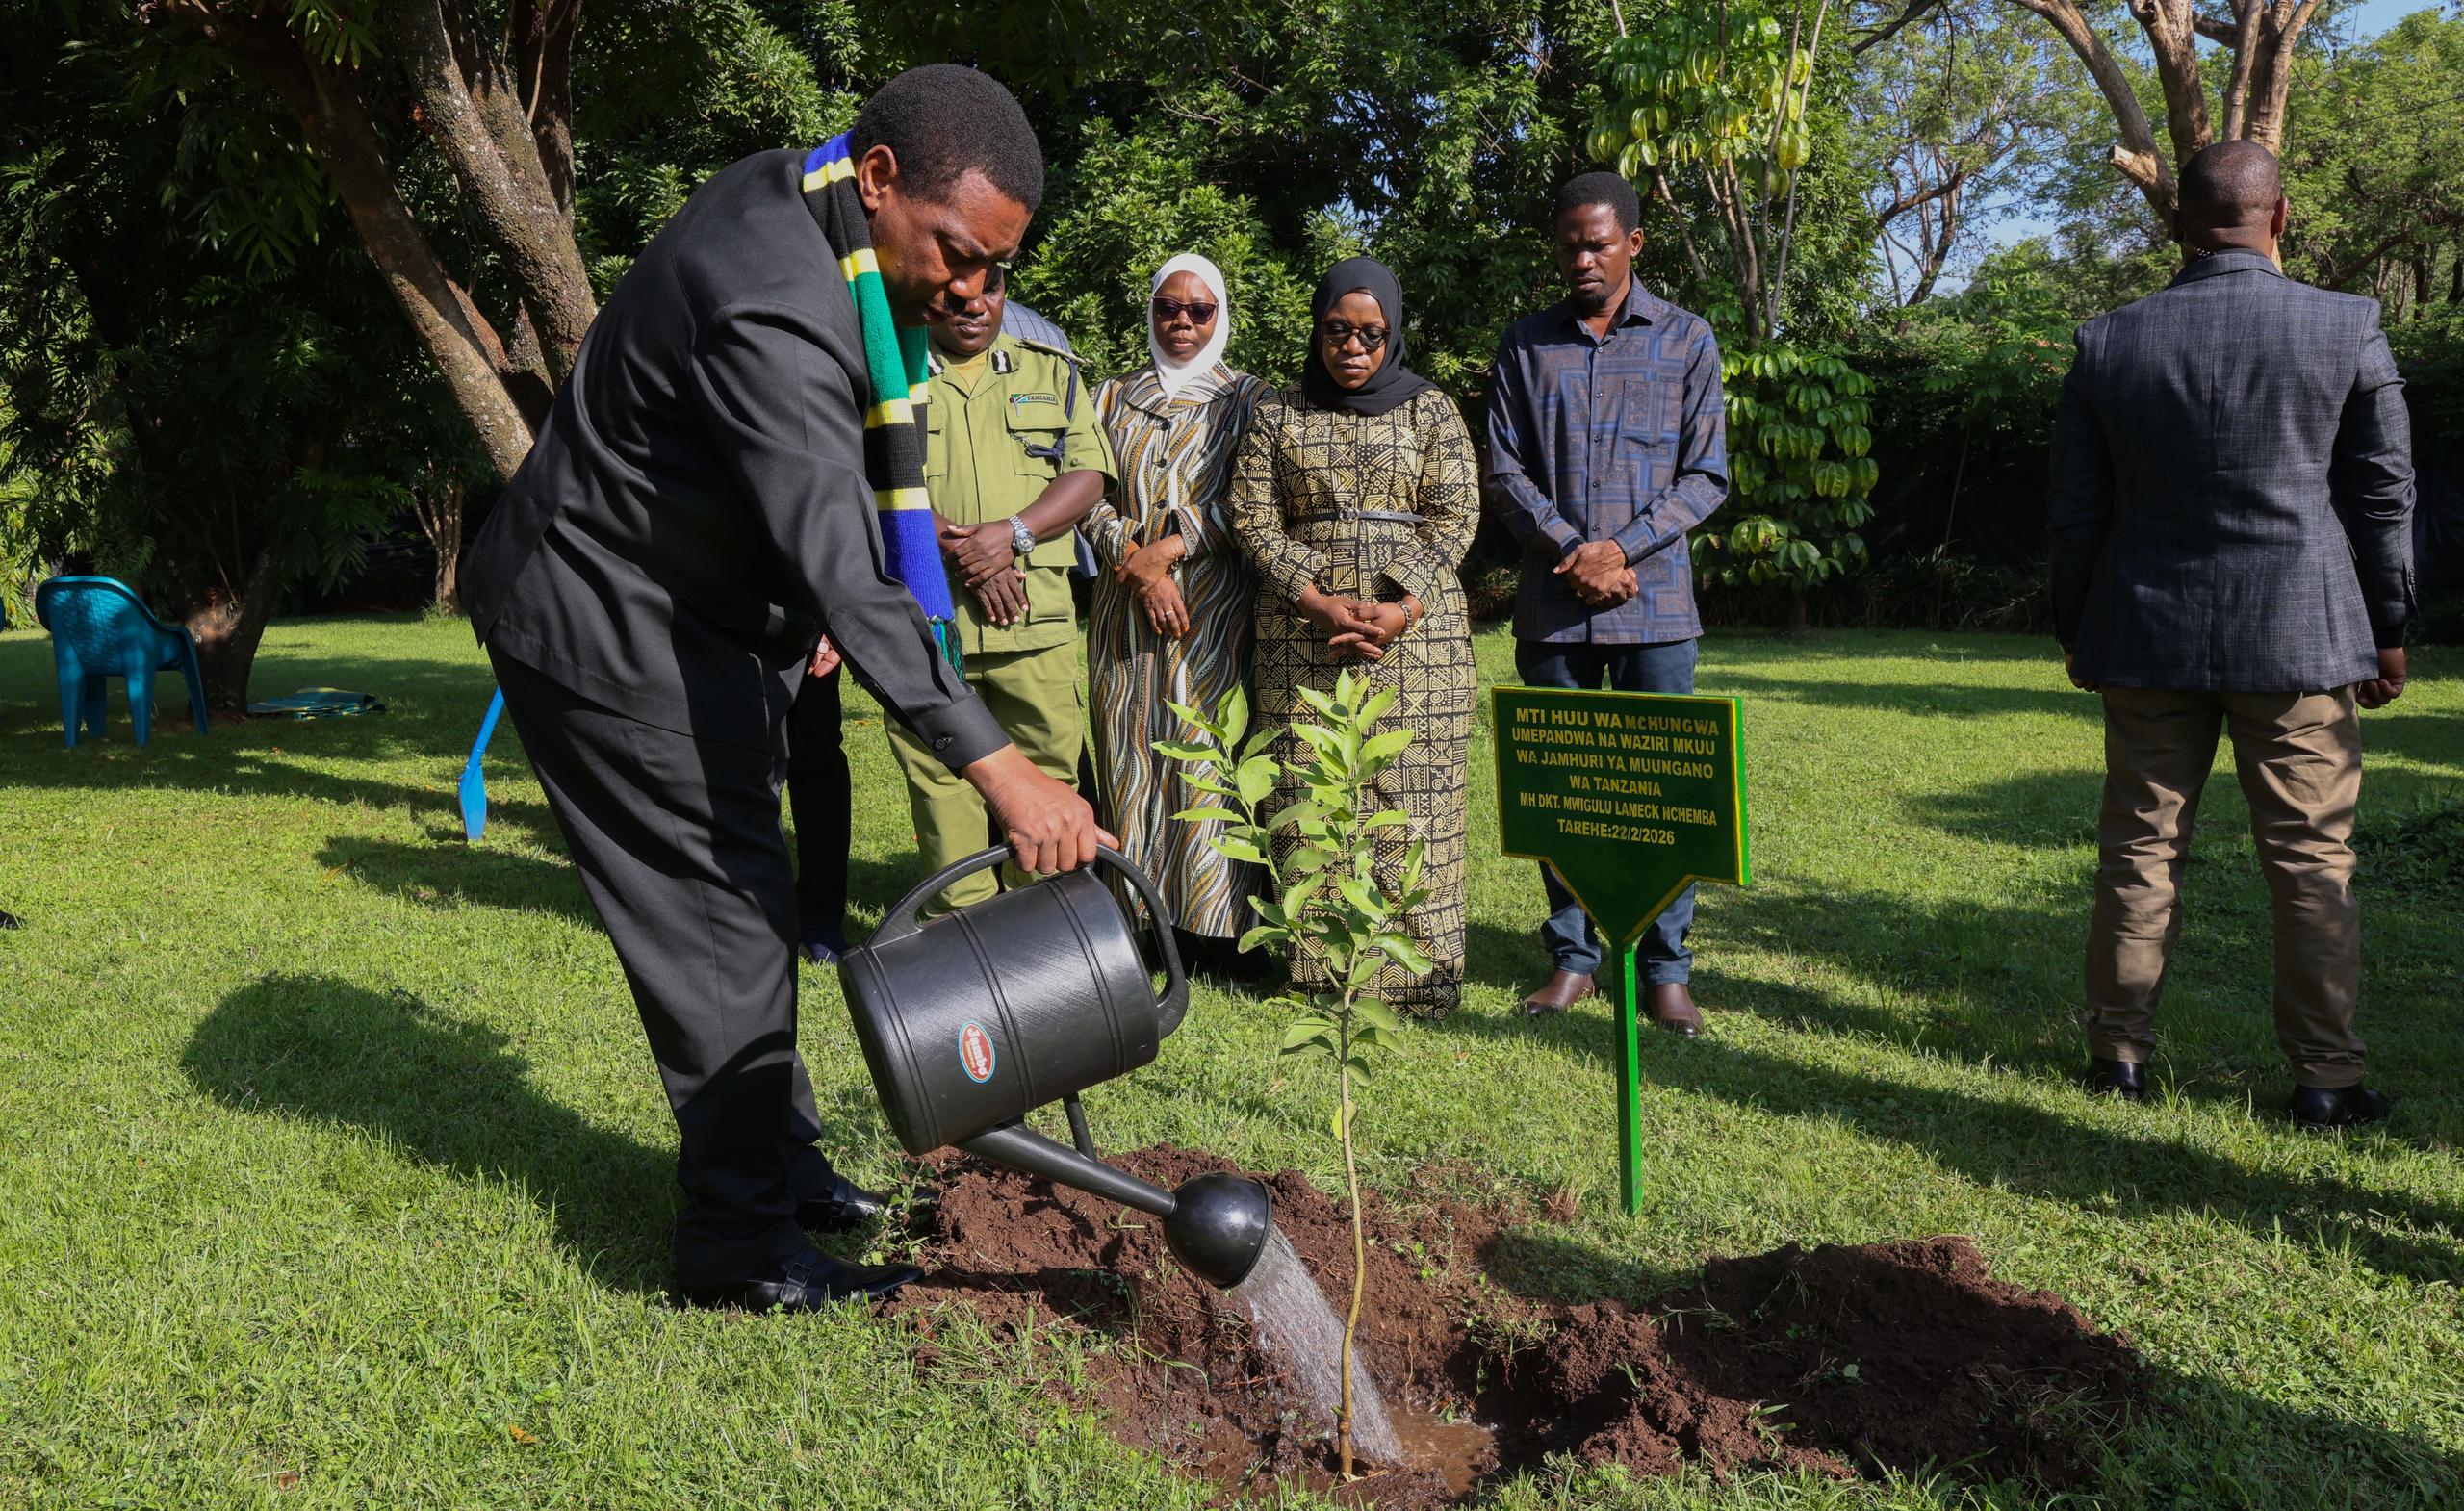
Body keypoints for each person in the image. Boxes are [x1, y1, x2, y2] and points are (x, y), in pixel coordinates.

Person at [459, 64, 1112, 1312]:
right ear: (879, 182)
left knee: (749, 894)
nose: (974, 291)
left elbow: (819, 539)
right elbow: (843, 559)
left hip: (690, 616)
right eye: (959, 254)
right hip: (601, 625)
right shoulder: (776, 289)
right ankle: (738, 1248)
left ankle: (783, 1164)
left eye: (997, 270)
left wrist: (802, 610)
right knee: (722, 913)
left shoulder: (822, 222)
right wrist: (1005, 766)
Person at [2048, 141, 2416, 1131]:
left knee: (2138, 847)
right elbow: (2382, 497)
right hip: (2299, 635)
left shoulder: (2108, 340)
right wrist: (2389, 625)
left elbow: (2074, 512)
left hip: (2145, 630)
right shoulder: (2348, 326)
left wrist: (2075, 629)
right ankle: (2324, 1078)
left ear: (2175, 224)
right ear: (2279, 217)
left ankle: (2116, 1059)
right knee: (2309, 858)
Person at [1486, 171, 1729, 1031]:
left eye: (1598, 242)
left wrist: (1620, 552)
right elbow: (1504, 473)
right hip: (1556, 607)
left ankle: (1664, 968)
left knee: (1667, 791)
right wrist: (1574, 552)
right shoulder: (1526, 346)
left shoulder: (1688, 339)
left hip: (1655, 604)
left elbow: (1708, 476)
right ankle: (1574, 959)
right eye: (1569, 245)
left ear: (1633, 243)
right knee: (1559, 786)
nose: (1583, 258)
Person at [1231, 257, 1478, 1015]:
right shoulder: (1278, 410)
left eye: (1371, 333)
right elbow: (1250, 515)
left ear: (1393, 333)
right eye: (1338, 329)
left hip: (1418, 640)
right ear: (1318, 327)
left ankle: (1421, 982)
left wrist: (1400, 605)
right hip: (1301, 634)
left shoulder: (1430, 411)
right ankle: (1325, 977)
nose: (1353, 346)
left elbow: (1459, 510)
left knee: (1415, 796)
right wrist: (1314, 598)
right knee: (1312, 789)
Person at [889, 264, 1115, 915]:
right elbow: (861, 473)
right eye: (955, 293)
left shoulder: (1050, 369)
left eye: (987, 290)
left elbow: (1090, 474)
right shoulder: (889, 374)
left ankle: (1041, 935)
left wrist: (1011, 534)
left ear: (1003, 292)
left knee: (1048, 775)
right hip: (929, 619)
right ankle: (962, 937)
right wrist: (964, 552)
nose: (972, 305)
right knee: (941, 781)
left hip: (1032, 622)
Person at [1085, 254, 1274, 977]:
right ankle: (1137, 922)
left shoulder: (1250, 401)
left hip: (1213, 612)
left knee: (1208, 754)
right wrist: (1133, 559)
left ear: (1221, 315)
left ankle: (1214, 930)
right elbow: (1083, 491)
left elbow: (1254, 499)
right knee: (1132, 754)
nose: (1184, 322)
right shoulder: (1108, 399)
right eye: (1170, 307)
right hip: (1124, 615)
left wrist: (1171, 548)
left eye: (1200, 311)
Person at [784, 634, 852, 965]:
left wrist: (831, 618)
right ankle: (745, 910)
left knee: (815, 750)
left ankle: (819, 917)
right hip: (711, 614)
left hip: (804, 616)